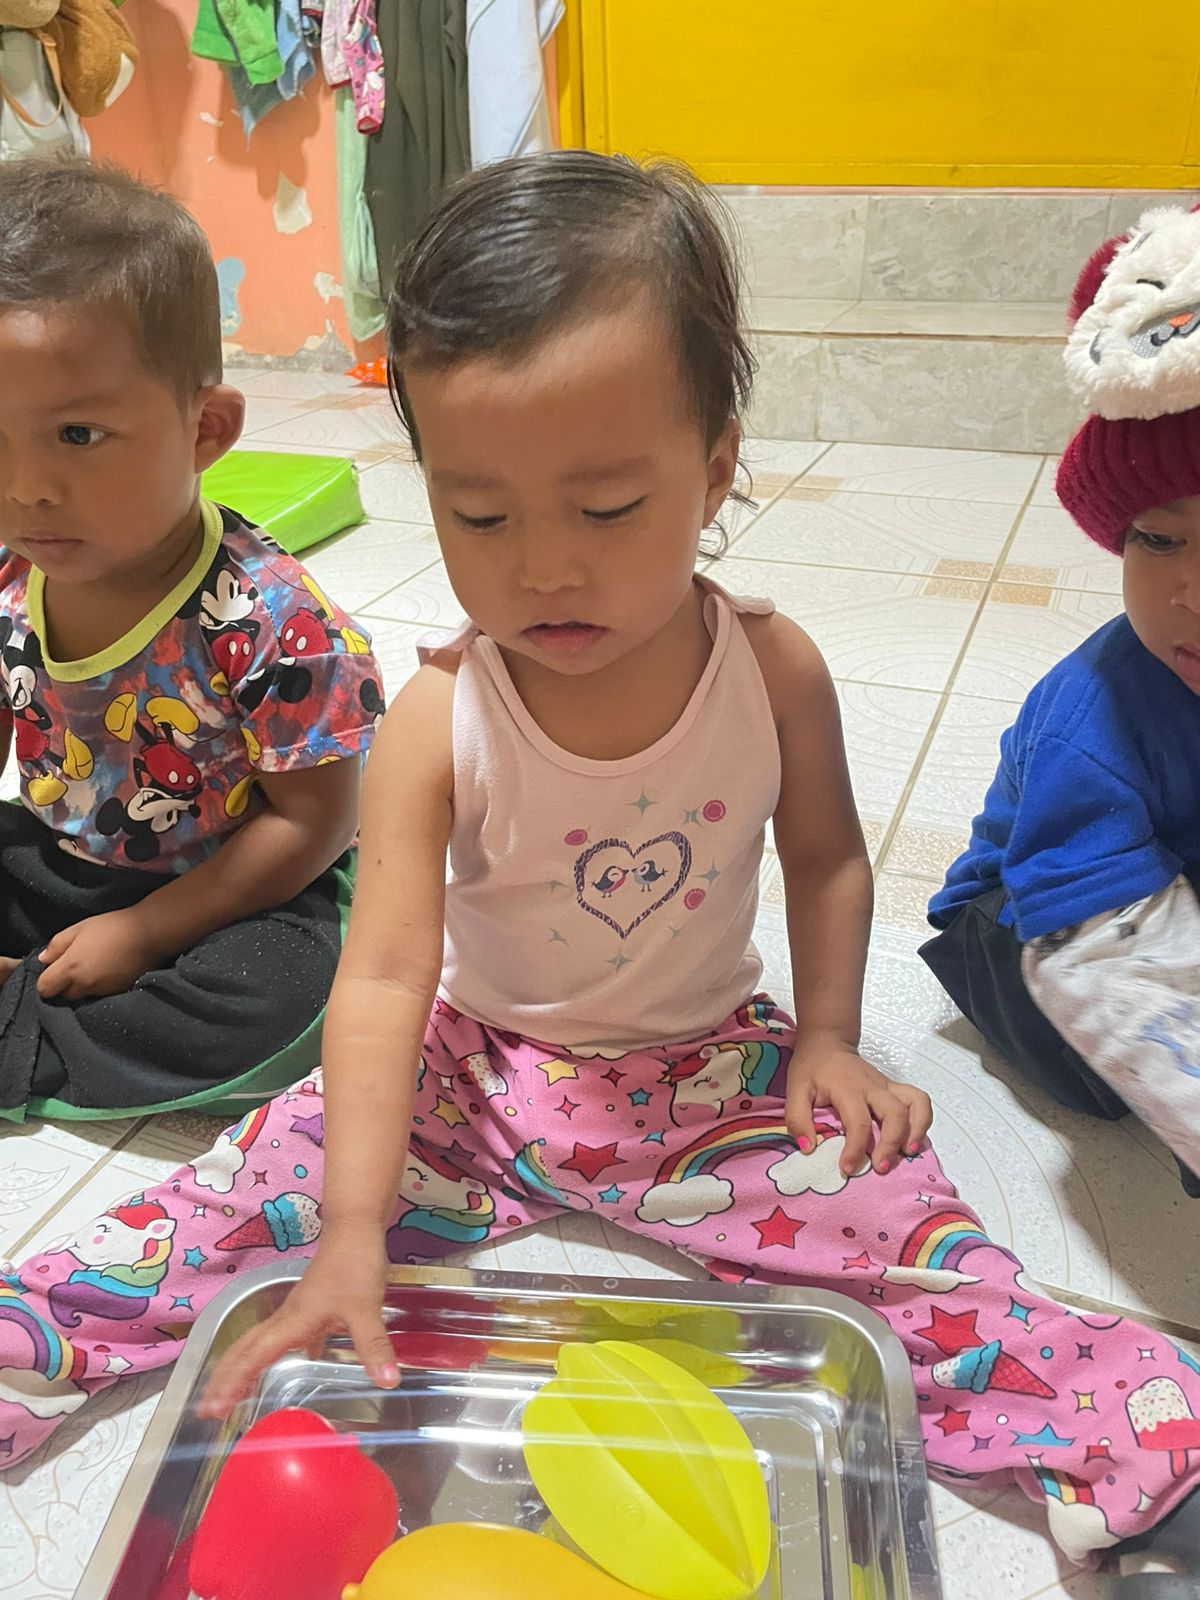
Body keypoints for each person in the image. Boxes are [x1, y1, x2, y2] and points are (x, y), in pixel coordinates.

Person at [1, 155, 1197, 1591]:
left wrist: (827, 1038)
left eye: (610, 508)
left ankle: (1147, 1463)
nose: (545, 571)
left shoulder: (773, 669)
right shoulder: (441, 712)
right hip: (471, 1075)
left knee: (923, 1253)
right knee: (227, 1206)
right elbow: (382, 974)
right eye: (481, 516)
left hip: (712, 1072)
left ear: (714, 468)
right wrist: (355, 1227)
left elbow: (826, 859)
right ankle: (21, 1349)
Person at [0, 160, 383, 1116]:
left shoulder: (274, 626)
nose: (28, 490)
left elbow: (314, 824)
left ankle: (33, 1029)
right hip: (62, 859)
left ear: (206, 428)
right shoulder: (12, 571)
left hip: (236, 886)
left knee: (279, 999)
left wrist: (146, 934)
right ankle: (44, 1013)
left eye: (77, 435)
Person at [922, 203, 1200, 1204]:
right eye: (1158, 540)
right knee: (1123, 1062)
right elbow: (1109, 966)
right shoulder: (1096, 724)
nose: (1193, 592)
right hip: (1031, 926)